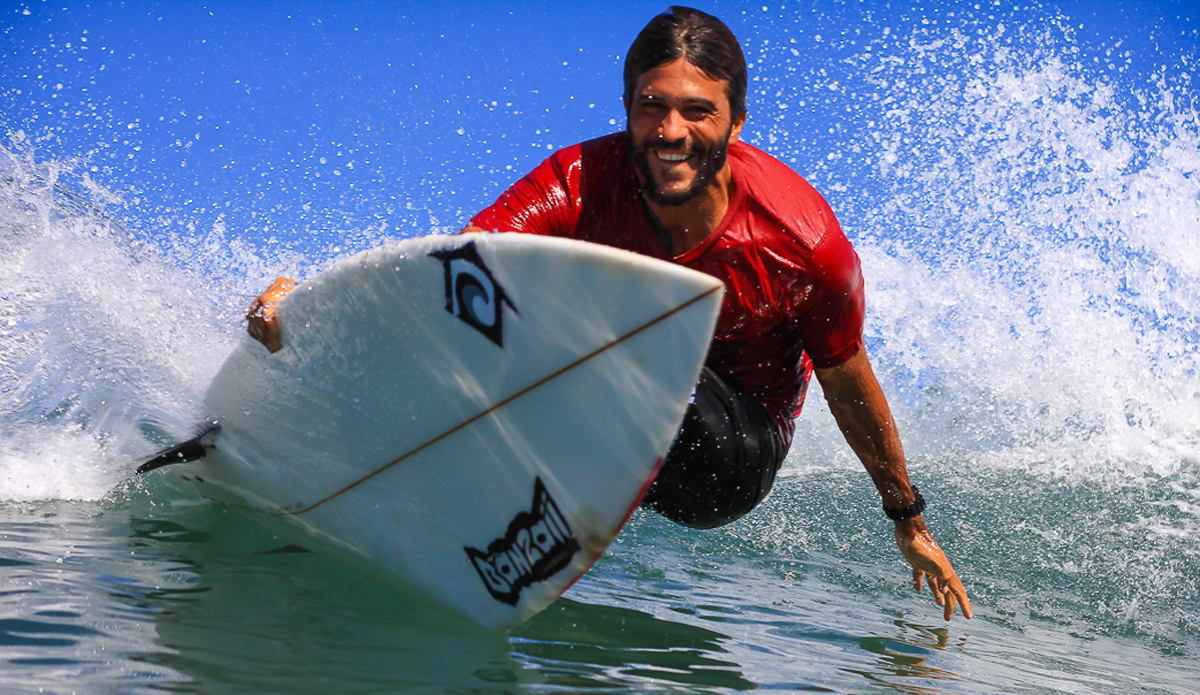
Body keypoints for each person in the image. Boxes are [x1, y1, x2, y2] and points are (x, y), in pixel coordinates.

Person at [247, 6, 971, 620]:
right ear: (627, 108)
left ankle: (523, 530)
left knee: (593, 334)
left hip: (732, 453)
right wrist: (312, 313)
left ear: (737, 123)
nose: (671, 130)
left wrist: (907, 519)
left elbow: (847, 382)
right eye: (652, 106)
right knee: (498, 313)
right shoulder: (576, 182)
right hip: (609, 393)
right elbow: (460, 274)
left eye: (698, 110)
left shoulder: (802, 242)